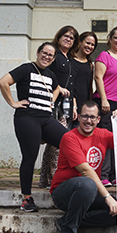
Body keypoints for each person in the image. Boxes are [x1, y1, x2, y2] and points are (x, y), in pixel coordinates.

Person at [0, 42, 67, 212]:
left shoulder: (51, 74)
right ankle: (26, 198)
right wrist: (13, 103)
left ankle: (65, 184)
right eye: (44, 53)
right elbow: (3, 82)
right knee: (30, 156)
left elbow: (56, 88)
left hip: (47, 118)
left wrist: (51, 100)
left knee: (70, 142)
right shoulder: (26, 68)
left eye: (50, 55)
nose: (47, 57)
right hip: (27, 118)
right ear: (38, 53)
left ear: (53, 58)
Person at [50, 101, 117, 233]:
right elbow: (85, 171)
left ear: (98, 119)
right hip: (64, 192)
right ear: (79, 118)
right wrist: (108, 196)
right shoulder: (69, 138)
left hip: (89, 192)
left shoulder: (102, 134)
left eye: (92, 117)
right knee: (87, 182)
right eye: (85, 116)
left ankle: (66, 221)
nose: (88, 121)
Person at [39, 25, 80, 189]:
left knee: (57, 143)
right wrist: (57, 88)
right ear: (59, 36)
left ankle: (47, 179)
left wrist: (74, 105)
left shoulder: (69, 58)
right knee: (57, 142)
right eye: (66, 35)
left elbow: (72, 86)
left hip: (67, 106)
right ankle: (50, 179)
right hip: (54, 104)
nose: (69, 39)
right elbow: (45, 75)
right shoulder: (53, 54)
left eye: (72, 37)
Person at [93, 26, 117, 186]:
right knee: (105, 140)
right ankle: (104, 175)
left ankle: (116, 174)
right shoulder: (104, 55)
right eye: (116, 37)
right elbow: (98, 77)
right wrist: (103, 100)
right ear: (109, 38)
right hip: (106, 103)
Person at [72, 31, 97, 115]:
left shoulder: (90, 64)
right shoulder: (70, 59)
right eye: (87, 43)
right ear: (80, 42)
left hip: (84, 102)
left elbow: (89, 86)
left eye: (92, 45)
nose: (89, 46)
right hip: (71, 101)